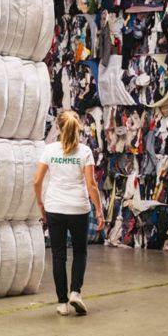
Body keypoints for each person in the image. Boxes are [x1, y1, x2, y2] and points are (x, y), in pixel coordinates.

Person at [33, 110, 103, 316]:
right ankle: (75, 292)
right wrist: (99, 211)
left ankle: (62, 303)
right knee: (80, 252)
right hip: (78, 208)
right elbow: (91, 184)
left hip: (55, 208)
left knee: (58, 255)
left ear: (58, 128)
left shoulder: (50, 150)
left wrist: (41, 204)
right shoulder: (85, 152)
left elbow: (37, 181)